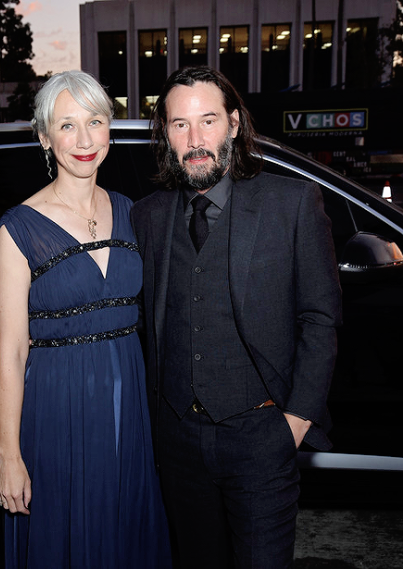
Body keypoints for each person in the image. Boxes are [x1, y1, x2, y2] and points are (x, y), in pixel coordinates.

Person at [130, 66, 342, 569]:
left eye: (208, 120)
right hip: (177, 442)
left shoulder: (291, 204)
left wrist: (295, 421)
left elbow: (320, 318)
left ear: (234, 123)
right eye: (179, 124)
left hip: (262, 437)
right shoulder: (148, 216)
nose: (195, 138)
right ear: (165, 134)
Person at [0, 70, 171, 568]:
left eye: (94, 121)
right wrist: (9, 457)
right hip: (57, 406)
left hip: (129, 405)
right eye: (66, 125)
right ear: (44, 136)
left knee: (125, 529)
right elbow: (10, 352)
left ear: (109, 129)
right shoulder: (18, 228)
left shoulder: (130, 210)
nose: (84, 139)